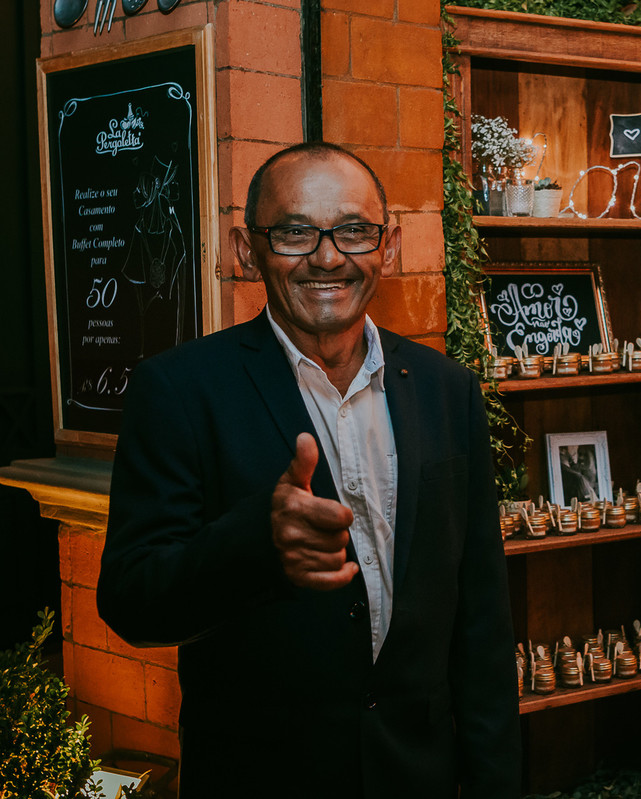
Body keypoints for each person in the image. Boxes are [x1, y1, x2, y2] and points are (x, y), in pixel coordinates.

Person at [97, 142, 520, 798]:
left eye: (354, 230)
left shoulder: (447, 389)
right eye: (295, 232)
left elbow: (482, 622)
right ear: (248, 249)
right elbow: (131, 598)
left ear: (391, 245)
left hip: (422, 777)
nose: (328, 256)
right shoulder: (180, 390)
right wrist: (255, 541)